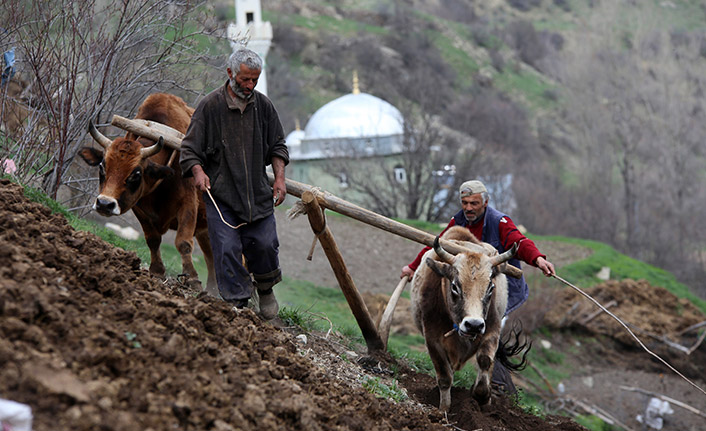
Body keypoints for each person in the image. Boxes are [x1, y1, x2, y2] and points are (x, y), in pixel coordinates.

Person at [400, 179, 555, 394]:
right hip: (465, 288)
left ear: (485, 202)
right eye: (465, 203)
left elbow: (518, 241)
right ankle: (455, 369)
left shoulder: (498, 222)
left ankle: (496, 384)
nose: (468, 208)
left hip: (495, 288)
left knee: (491, 331)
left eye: (474, 203)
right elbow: (436, 245)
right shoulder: (458, 220)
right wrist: (413, 267)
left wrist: (538, 259)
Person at [180, 48, 288, 320]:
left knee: (264, 244)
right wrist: (198, 172)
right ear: (230, 73)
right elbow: (190, 149)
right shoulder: (210, 106)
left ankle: (264, 290)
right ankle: (238, 303)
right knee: (227, 248)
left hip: (257, 194)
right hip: (222, 197)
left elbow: (277, 146)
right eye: (244, 80)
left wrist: (280, 178)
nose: (250, 86)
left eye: (255, 80)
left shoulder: (263, 106)